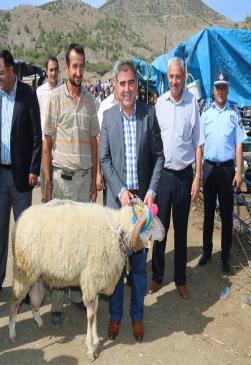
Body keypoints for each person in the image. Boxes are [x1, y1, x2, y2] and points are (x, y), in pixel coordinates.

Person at [100, 59, 164, 341]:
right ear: (114, 87)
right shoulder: (109, 117)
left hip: (141, 209)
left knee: (139, 267)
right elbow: (104, 158)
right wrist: (118, 190)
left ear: (137, 85)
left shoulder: (149, 115)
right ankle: (115, 317)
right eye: (121, 83)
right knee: (115, 266)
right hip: (117, 207)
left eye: (131, 83)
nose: (127, 89)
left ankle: (137, 316)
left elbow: (160, 157)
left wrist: (150, 191)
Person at [43, 43, 99, 328]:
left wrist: (95, 178)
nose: (78, 71)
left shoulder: (91, 101)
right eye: (73, 66)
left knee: (81, 242)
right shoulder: (54, 99)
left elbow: (94, 141)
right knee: (60, 243)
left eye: (81, 65)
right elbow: (47, 142)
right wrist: (46, 185)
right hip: (62, 182)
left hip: (84, 180)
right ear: (66, 68)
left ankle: (76, 295)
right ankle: (56, 302)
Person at [0, 49, 42, 303]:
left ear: (11, 70)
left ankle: (25, 283)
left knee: (24, 234)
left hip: (22, 179)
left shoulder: (28, 95)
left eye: (0, 73)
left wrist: (33, 169)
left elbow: (37, 135)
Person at [148, 57, 203, 300]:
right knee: (160, 229)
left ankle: (180, 278)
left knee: (181, 230)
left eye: (178, 76)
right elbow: (152, 142)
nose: (174, 81)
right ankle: (157, 276)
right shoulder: (159, 104)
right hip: (163, 177)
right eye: (170, 76)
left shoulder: (193, 104)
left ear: (183, 77)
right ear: (167, 78)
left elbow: (198, 142)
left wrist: (197, 176)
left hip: (183, 176)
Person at [198, 71, 247, 274]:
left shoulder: (234, 113)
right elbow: (199, 144)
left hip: (227, 170)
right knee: (208, 213)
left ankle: (225, 257)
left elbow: (238, 145)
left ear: (228, 89)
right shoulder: (206, 112)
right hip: (209, 169)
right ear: (213, 89)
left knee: (227, 216)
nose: (220, 91)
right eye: (217, 87)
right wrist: (198, 169)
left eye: (223, 87)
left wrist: (239, 171)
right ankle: (207, 252)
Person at [36, 55, 61, 201]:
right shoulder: (40, 92)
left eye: (56, 70)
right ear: (46, 71)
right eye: (50, 70)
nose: (53, 73)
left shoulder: (64, 90)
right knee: (46, 189)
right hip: (45, 146)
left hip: (60, 147)